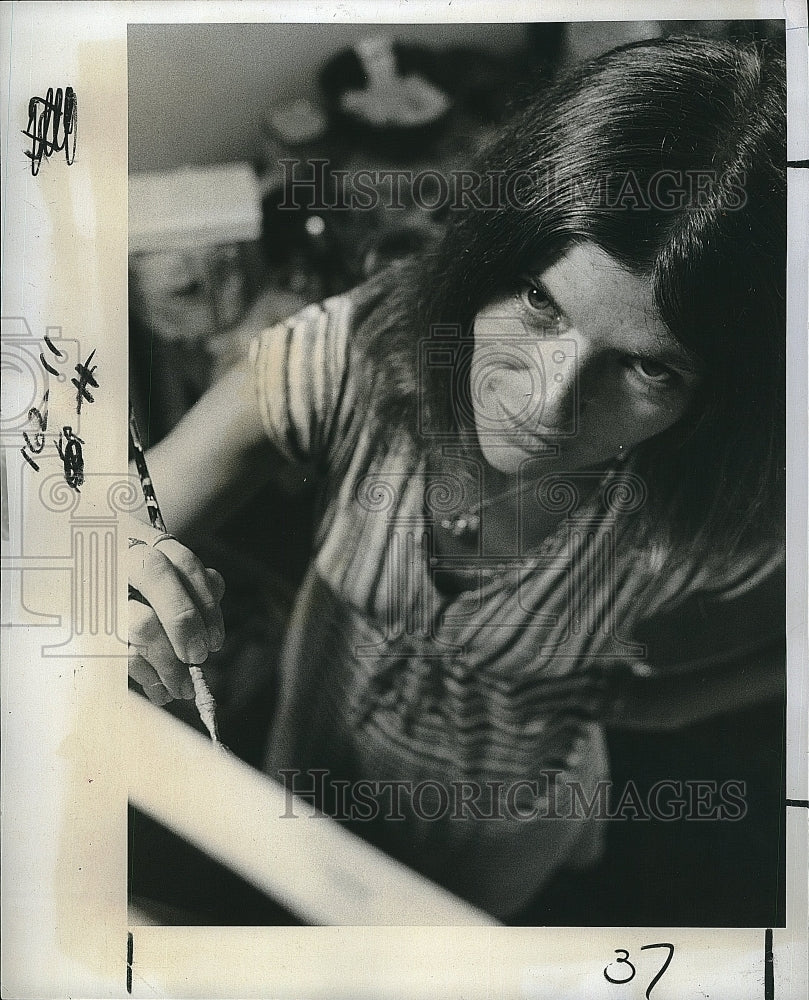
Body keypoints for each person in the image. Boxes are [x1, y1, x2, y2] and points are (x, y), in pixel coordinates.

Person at [127, 36, 786, 920]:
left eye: (646, 369)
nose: (545, 407)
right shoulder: (354, 354)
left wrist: (658, 706)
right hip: (312, 759)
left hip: (502, 827)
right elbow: (129, 509)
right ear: (486, 253)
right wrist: (122, 563)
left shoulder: (710, 497)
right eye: (541, 302)